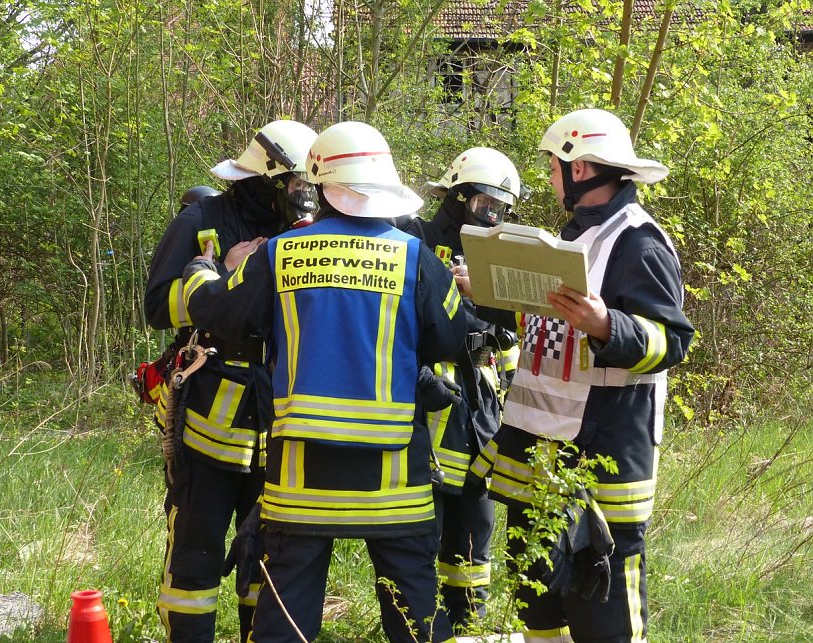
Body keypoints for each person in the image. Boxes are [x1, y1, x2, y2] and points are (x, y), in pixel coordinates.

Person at [181, 121, 466, 643]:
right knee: (416, 619)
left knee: (285, 621)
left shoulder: (281, 253)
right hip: (393, 481)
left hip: (301, 479)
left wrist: (203, 270)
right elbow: (451, 339)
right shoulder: (415, 258)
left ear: (317, 183)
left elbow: (221, 314)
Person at [463, 109, 694, 643]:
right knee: (539, 606)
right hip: (538, 452)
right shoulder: (574, 236)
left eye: (552, 164)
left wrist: (606, 324)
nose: (548, 175)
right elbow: (549, 331)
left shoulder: (639, 243)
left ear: (581, 167)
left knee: (603, 618)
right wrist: (489, 290)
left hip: (603, 460)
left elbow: (673, 343)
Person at [144, 119, 318, 642]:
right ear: (266, 180)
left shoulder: (308, 234)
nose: (306, 199)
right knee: (195, 557)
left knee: (265, 562)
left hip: (278, 422)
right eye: (297, 187)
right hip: (207, 420)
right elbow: (157, 306)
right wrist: (223, 277)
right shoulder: (204, 219)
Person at [400, 147, 523, 628]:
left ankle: (470, 625)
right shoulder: (416, 238)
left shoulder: (500, 258)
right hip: (426, 409)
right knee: (419, 538)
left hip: (481, 413)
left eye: (500, 209)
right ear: (457, 196)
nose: (492, 216)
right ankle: (423, 629)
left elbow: (510, 336)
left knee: (474, 541)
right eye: (484, 205)